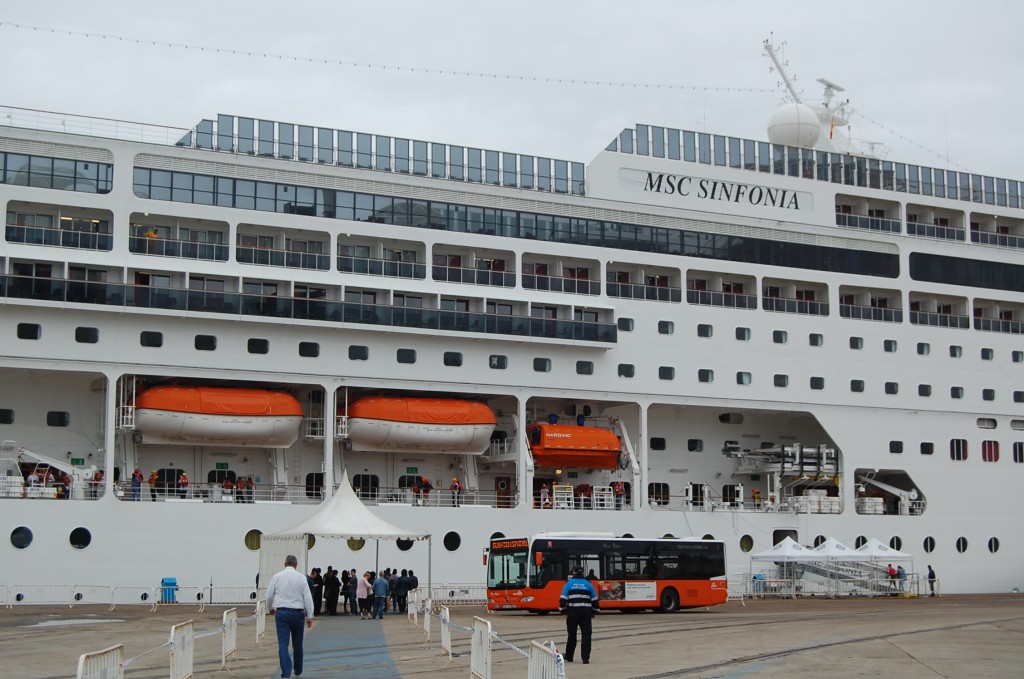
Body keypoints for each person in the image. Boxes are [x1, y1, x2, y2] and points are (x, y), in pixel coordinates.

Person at [265, 554, 314, 679]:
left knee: (283, 643)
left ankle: (286, 672)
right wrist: (309, 615)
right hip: (298, 613)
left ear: (284, 564)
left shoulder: (277, 577)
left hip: (281, 612)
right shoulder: (302, 578)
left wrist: (270, 608)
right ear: (296, 565)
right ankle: (298, 670)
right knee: (298, 643)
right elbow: (307, 597)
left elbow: (269, 596)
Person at [559, 565, 598, 664]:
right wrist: (593, 612)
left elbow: (563, 600)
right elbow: (595, 601)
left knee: (572, 635)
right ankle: (585, 658)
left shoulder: (569, 584)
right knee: (586, 636)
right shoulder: (588, 584)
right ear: (583, 573)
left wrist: (563, 611)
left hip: (572, 614)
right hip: (586, 615)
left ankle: (569, 656)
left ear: (574, 572)